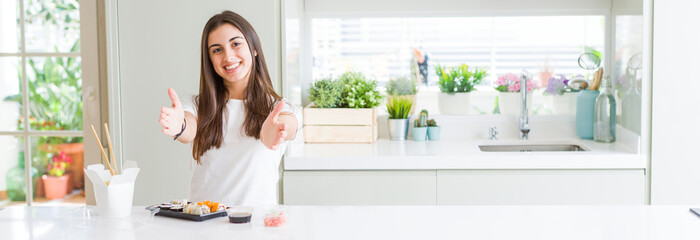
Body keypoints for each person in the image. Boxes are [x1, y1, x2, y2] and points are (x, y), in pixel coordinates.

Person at [158, 10, 300, 206]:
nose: (228, 56)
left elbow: (287, 123)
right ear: (209, 59)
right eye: (217, 50)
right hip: (204, 227)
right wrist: (179, 127)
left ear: (254, 48)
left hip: (256, 226)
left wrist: (278, 131)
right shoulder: (196, 105)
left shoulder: (277, 107)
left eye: (236, 44)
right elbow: (189, 128)